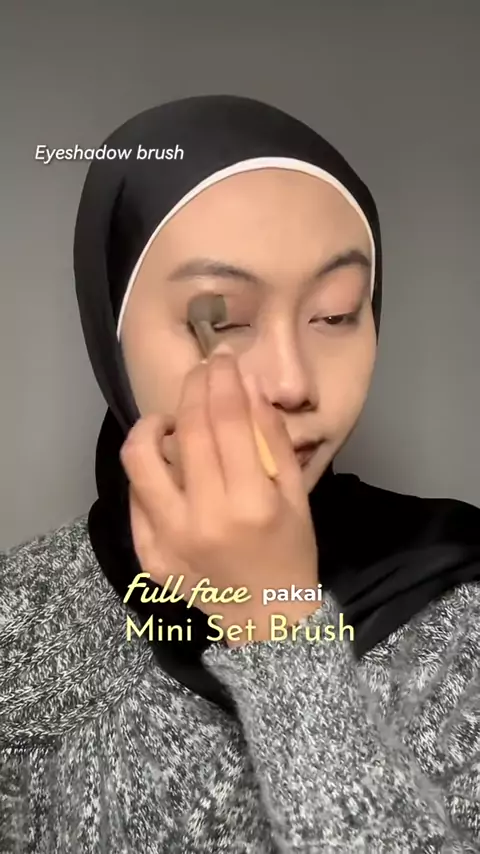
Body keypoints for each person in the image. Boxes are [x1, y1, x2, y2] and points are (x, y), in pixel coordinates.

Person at [1, 95, 479, 854]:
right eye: (220, 320)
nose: (292, 381)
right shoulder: (16, 623)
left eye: (336, 314)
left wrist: (277, 625)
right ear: (110, 333)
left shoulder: (460, 600)